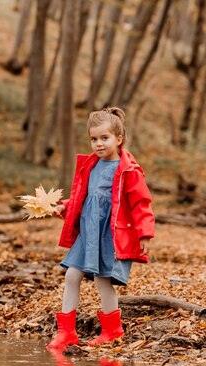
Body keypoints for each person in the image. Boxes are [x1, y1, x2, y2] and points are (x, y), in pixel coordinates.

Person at [47, 107, 155, 351]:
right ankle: (66, 332)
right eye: (93, 139)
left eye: (104, 138)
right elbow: (84, 197)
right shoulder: (90, 165)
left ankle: (112, 330)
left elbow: (141, 203)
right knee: (71, 275)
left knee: (101, 280)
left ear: (119, 139)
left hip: (110, 234)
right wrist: (65, 207)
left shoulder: (128, 170)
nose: (98, 144)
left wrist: (145, 233)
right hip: (88, 233)